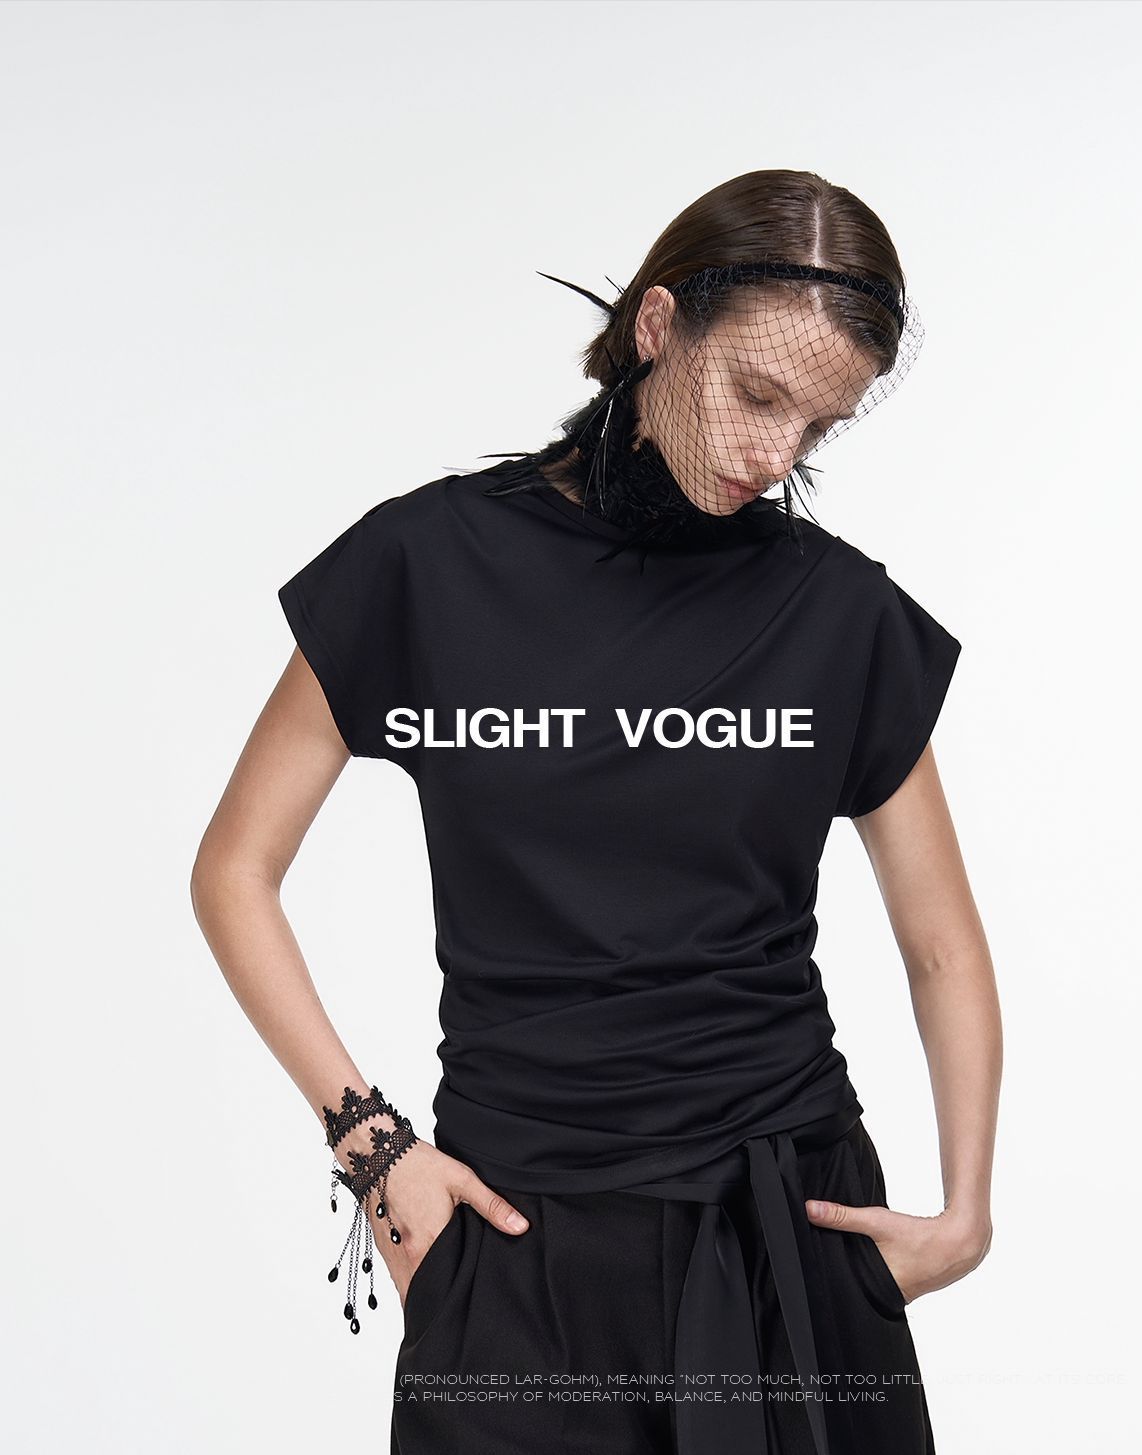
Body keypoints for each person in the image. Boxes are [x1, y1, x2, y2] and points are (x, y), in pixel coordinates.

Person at [191, 170, 1001, 1455]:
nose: (774, 456)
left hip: (788, 1225)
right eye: (757, 395)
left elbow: (943, 941)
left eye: (818, 425)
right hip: (520, 1231)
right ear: (657, 324)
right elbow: (235, 872)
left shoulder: (838, 614)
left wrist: (965, 1212)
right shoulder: (426, 565)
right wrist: (372, 1148)